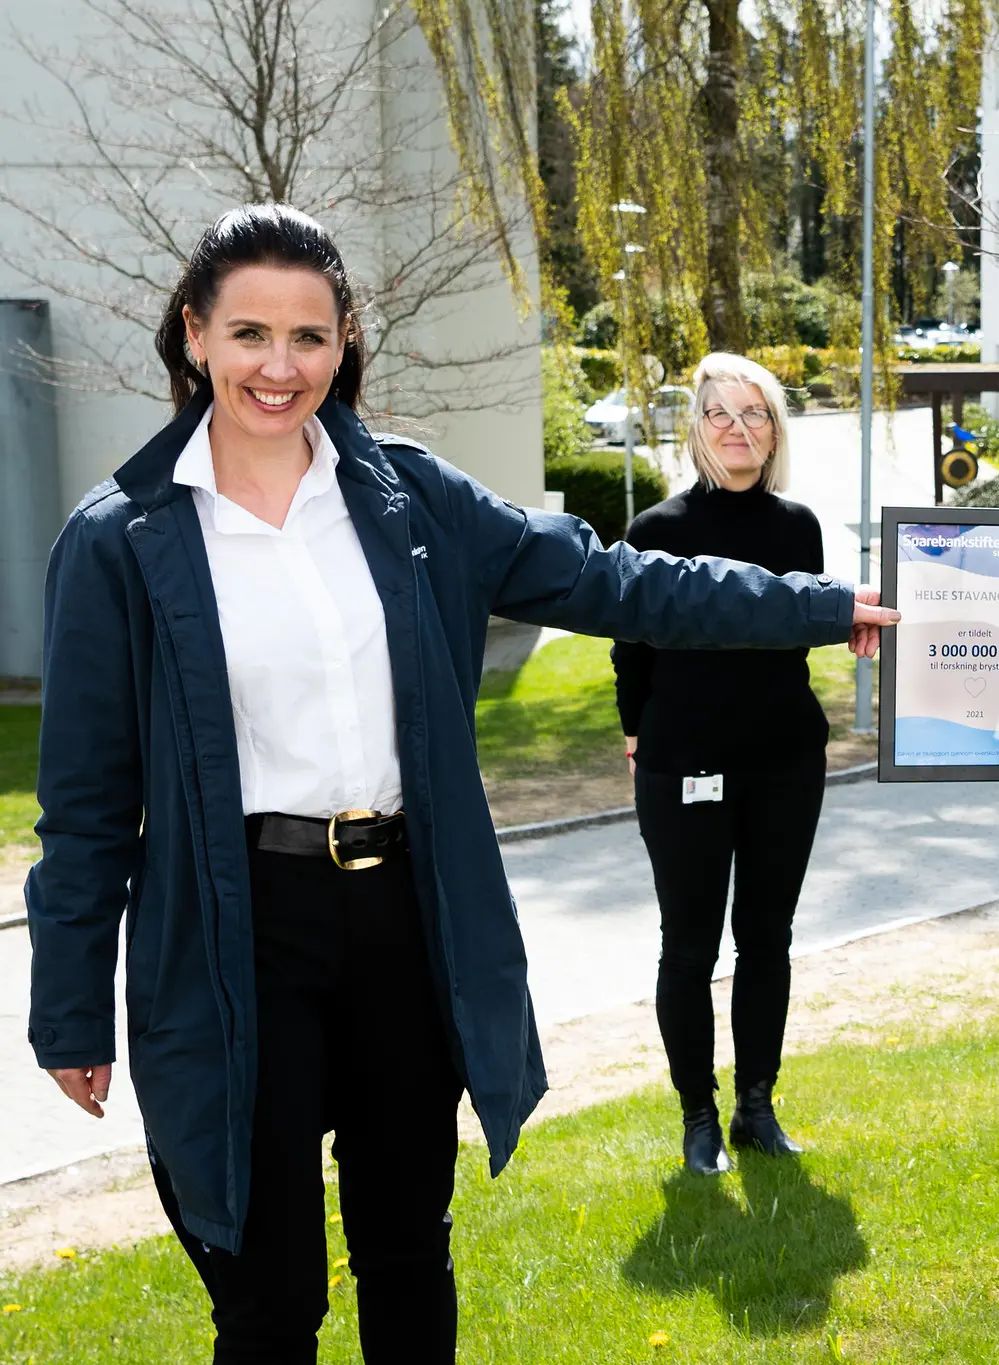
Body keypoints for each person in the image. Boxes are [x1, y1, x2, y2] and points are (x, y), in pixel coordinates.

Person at [24, 204, 894, 1365]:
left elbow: (620, 583)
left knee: (405, 1255)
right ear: (193, 337)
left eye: (309, 337)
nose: (278, 369)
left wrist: (827, 608)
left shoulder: (412, 502)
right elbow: (84, 805)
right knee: (268, 1297)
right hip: (239, 933)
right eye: (248, 335)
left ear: (344, 346)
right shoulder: (120, 538)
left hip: (402, 920)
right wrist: (72, 1005)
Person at [613, 353, 829, 1176]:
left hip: (784, 759)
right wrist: (638, 736)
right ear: (696, 428)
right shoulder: (657, 531)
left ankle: (756, 1107)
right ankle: (698, 1116)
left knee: (767, 938)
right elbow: (629, 646)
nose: (738, 430)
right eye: (721, 415)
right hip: (685, 763)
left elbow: (804, 629)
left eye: (756, 415)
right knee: (690, 945)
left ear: (775, 429)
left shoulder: (797, 526)